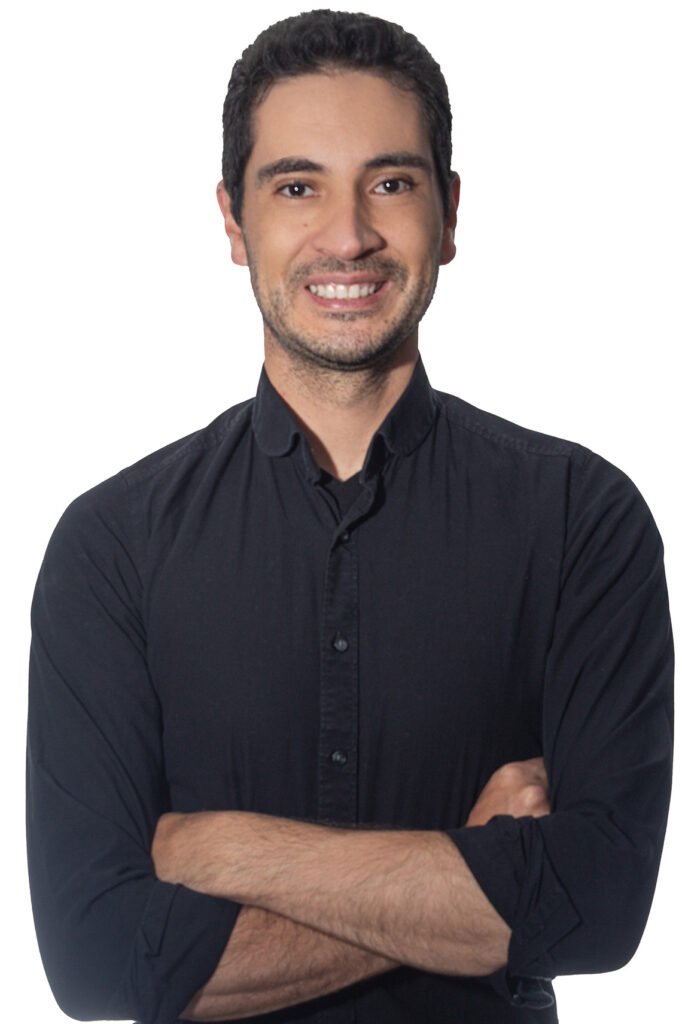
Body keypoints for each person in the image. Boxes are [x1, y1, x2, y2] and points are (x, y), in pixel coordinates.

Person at [26, 9, 673, 1024]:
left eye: (390, 183)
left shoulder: (581, 521)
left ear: (449, 213)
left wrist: (224, 850)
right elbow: (100, 962)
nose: (347, 235)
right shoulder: (112, 547)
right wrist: (467, 872)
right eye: (297, 187)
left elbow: (594, 906)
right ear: (233, 222)